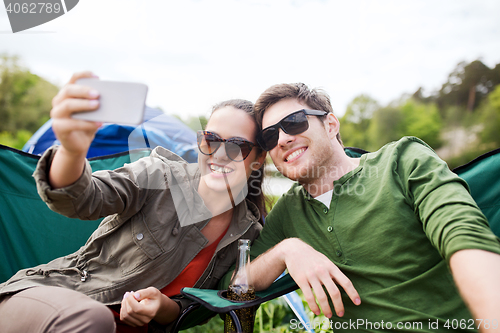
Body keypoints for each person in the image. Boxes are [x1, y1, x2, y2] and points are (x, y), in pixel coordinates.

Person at [0, 71, 268, 333]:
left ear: (257, 159)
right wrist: (72, 150)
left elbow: (196, 309)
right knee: (94, 320)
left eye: (237, 146)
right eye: (210, 140)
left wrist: (163, 307)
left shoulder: (246, 235)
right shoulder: (158, 176)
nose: (220, 154)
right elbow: (82, 198)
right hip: (53, 299)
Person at [221, 82, 500, 332]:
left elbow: (463, 237)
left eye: (294, 122)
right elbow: (232, 285)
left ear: (330, 125)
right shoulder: (289, 211)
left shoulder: (402, 160)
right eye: (270, 137)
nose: (282, 139)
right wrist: (285, 250)